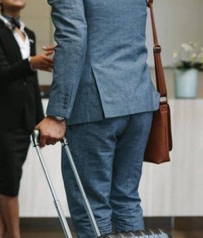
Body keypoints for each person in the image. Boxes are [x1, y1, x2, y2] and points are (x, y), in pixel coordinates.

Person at [35, 0, 160, 237]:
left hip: (95, 103)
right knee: (126, 198)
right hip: (138, 98)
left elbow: (72, 37)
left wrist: (57, 113)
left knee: (91, 206)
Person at [0, 0, 54, 237]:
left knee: (4, 183)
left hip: (22, 121)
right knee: (9, 185)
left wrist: (40, 120)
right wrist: (31, 62)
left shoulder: (28, 33)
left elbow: (30, 83)